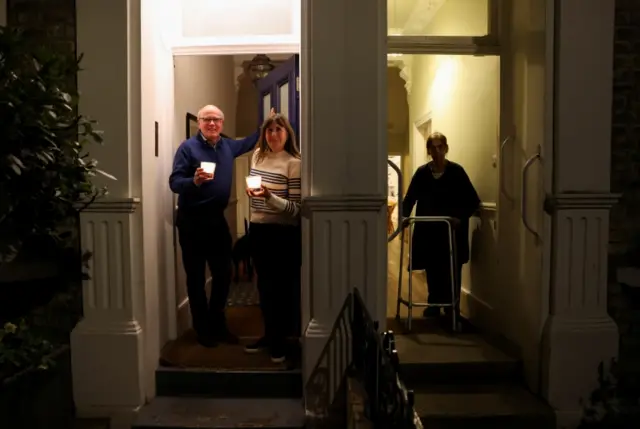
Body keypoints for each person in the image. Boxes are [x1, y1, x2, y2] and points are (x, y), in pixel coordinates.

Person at [169, 104, 275, 347]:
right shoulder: (187, 148)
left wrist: (265, 126)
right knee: (195, 278)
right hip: (191, 222)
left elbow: (250, 142)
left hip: (216, 220)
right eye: (207, 119)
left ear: (222, 124)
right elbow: (174, 182)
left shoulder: (228, 146)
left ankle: (218, 323)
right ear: (200, 123)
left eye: (217, 120)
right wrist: (194, 180)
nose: (212, 124)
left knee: (224, 274)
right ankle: (202, 329)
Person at [402, 132, 480, 321]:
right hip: (429, 230)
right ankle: (434, 304)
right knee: (432, 267)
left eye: (440, 147)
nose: (437, 151)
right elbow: (410, 198)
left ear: (446, 148)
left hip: (451, 231)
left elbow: (472, 200)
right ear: (428, 151)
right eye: (433, 148)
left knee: (452, 268)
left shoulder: (457, 172)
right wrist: (404, 217)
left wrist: (459, 218)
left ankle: (452, 307)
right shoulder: (422, 173)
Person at [243, 113, 301, 363]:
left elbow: (296, 209)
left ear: (287, 134)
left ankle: (282, 341)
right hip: (259, 230)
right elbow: (256, 197)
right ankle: (269, 334)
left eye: (279, 129)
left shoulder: (294, 163)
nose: (273, 134)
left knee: (282, 289)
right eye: (269, 130)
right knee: (264, 287)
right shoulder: (257, 156)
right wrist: (253, 194)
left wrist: (268, 197)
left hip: (282, 234)